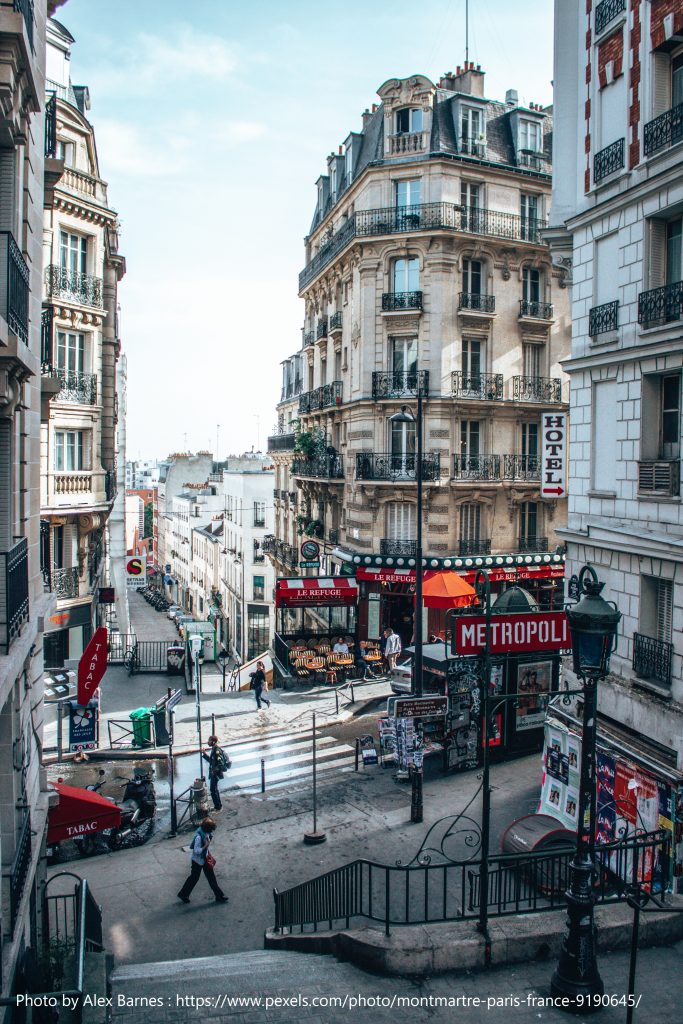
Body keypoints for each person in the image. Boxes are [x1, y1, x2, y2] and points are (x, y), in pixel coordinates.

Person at [177, 818, 228, 904]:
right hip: (197, 861)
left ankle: (219, 895)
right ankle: (183, 894)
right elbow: (196, 851)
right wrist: (206, 845)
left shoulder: (206, 833)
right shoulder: (198, 837)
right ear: (207, 829)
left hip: (204, 858)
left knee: (211, 877)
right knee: (194, 878)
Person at [203, 734, 229, 811]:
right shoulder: (214, 749)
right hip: (214, 774)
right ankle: (218, 806)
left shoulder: (217, 751)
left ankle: (218, 807)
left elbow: (220, 764)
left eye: (209, 740)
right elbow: (212, 761)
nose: (208, 742)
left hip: (215, 774)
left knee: (213, 790)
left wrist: (214, 771)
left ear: (213, 742)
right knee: (214, 789)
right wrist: (204, 755)